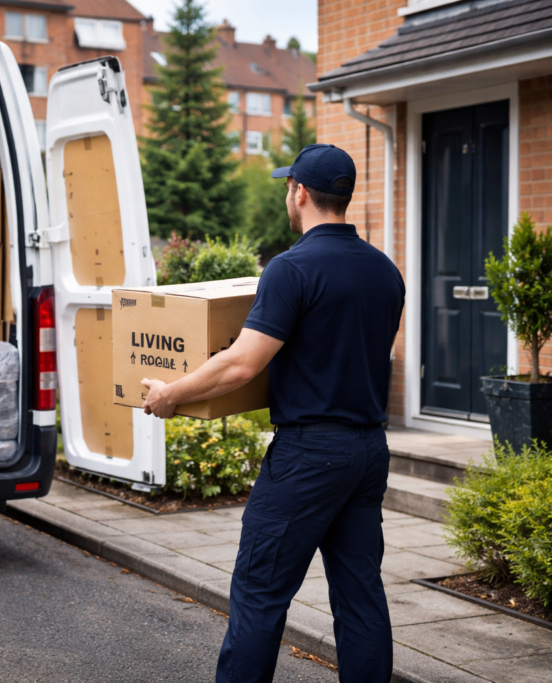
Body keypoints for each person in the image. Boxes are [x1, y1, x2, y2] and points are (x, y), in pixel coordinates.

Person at [141, 144, 404, 683]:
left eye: (288, 187)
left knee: (259, 591)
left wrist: (172, 394)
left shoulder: (290, 268)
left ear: (300, 193)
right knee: (360, 597)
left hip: (309, 455)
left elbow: (241, 364)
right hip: (367, 451)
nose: (288, 195)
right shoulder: (385, 271)